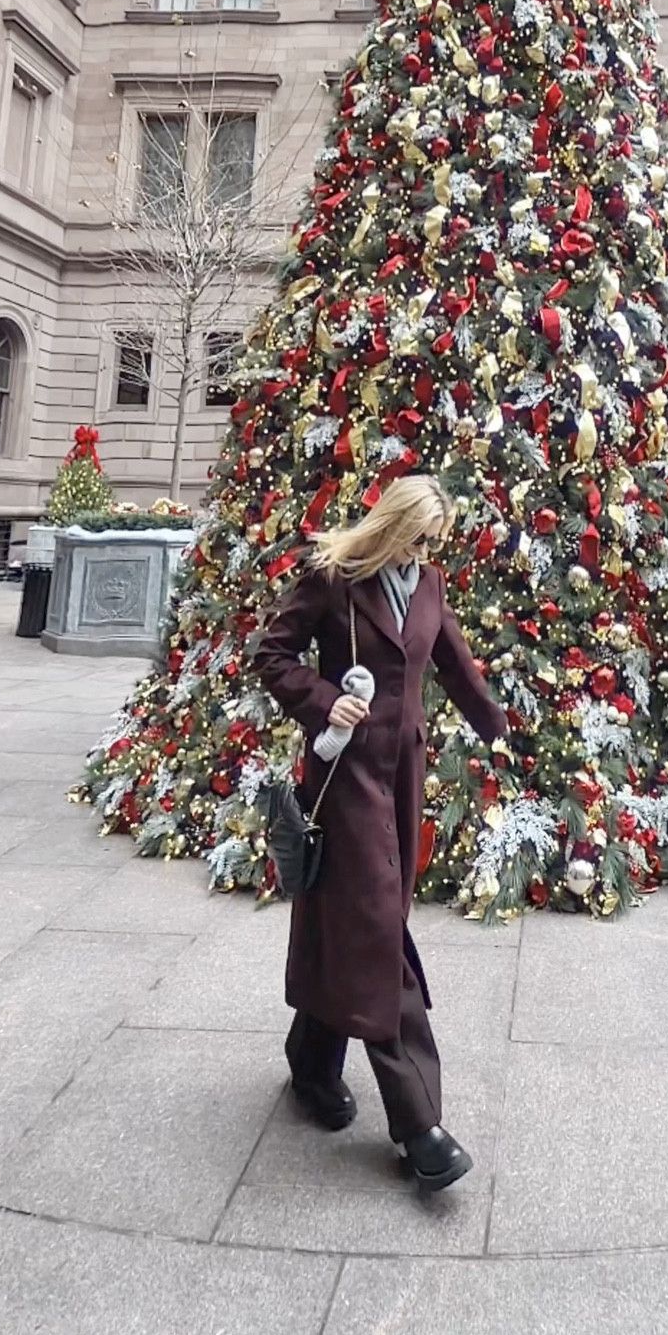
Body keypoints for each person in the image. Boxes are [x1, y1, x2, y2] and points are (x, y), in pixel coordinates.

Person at [254, 475, 507, 1191]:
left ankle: (310, 1064)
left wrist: (496, 725)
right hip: (343, 782)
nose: (428, 552)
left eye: (435, 542)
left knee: (362, 920)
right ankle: (417, 1121)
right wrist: (326, 700)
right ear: (393, 524)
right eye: (420, 537)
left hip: (402, 781)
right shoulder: (334, 576)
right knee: (376, 930)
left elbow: (451, 658)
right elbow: (272, 655)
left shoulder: (427, 582)